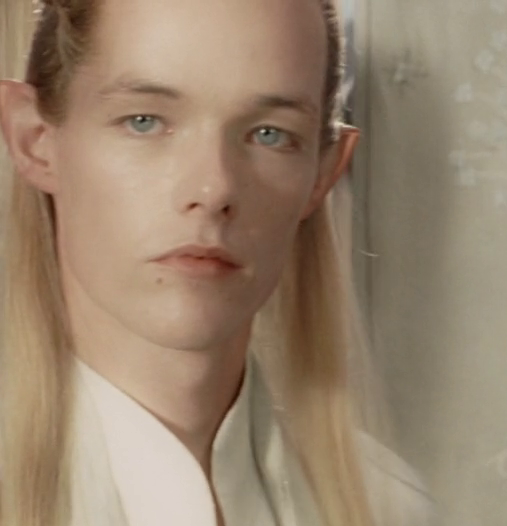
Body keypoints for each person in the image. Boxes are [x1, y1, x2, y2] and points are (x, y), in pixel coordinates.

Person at [0, 0, 437, 525]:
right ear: (34, 140)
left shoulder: (390, 508)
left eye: (270, 133)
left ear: (322, 174)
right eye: (144, 122)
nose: (213, 189)